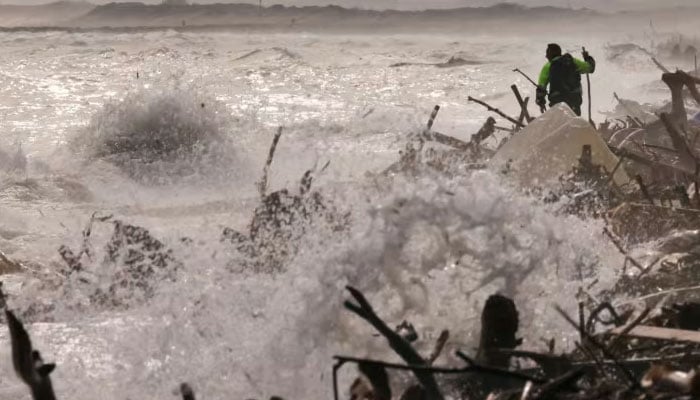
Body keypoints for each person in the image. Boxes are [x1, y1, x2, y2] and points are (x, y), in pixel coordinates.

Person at [536, 43, 595, 116]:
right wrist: (587, 58)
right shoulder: (573, 61)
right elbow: (590, 68)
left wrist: (541, 102)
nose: (546, 56)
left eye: (547, 53)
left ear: (551, 54)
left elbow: (541, 87)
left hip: (557, 101)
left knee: (559, 123)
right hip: (574, 100)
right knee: (573, 121)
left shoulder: (548, 66)